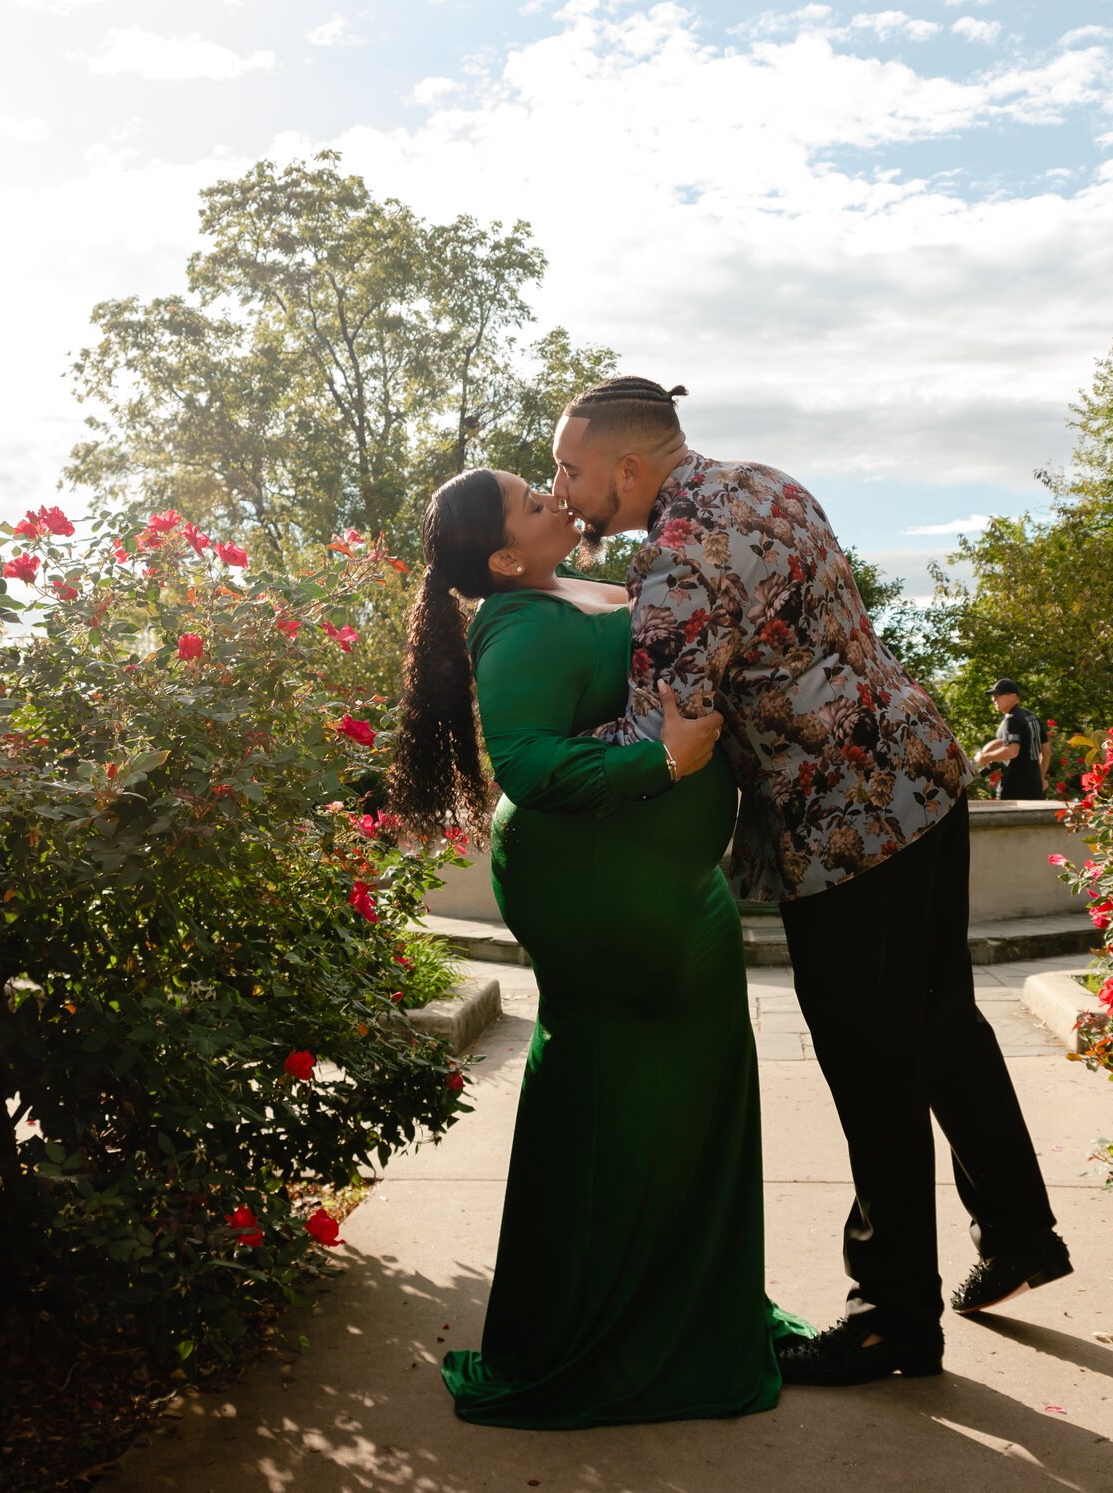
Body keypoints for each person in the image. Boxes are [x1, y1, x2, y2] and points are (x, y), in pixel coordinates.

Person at [549, 376, 1071, 1388]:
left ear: (625, 466)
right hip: (922, 768)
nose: (563, 489)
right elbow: (748, 620)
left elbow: (668, 729)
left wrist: (540, 751)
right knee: (939, 1020)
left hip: (845, 824)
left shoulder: (672, 556)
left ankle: (890, 1319)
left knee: (869, 1061)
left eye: (572, 469)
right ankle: (1016, 1232)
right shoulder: (762, 482)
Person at [387, 465, 811, 1430]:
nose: (552, 497)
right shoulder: (524, 624)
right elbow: (529, 761)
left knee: (673, 1092)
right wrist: (664, 760)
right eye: (533, 504)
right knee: (624, 1093)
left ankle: (675, 1306)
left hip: (657, 885)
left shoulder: (562, 587)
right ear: (503, 556)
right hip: (604, 893)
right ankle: (609, 1334)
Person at [975, 678, 1045, 802]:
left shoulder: (1012, 720)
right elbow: (1047, 752)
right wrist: (1041, 779)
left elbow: (1012, 752)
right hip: (1035, 788)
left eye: (998, 695)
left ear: (1012, 696)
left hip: (1013, 789)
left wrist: (984, 757)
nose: (993, 699)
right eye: (993, 696)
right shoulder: (1032, 717)